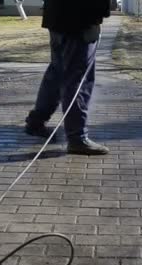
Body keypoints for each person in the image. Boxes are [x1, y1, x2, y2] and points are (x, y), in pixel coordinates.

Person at [25, 0, 111, 155]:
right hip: (80, 20)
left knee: (57, 74)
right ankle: (77, 138)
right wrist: (102, 11)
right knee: (78, 81)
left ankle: (36, 122)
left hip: (57, 17)